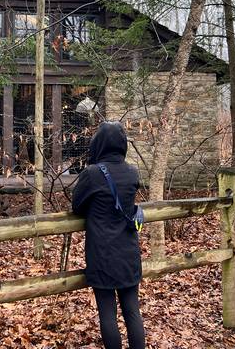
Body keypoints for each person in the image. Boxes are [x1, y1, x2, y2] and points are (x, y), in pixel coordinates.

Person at [72, 121, 145, 349]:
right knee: (132, 309)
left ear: (99, 144)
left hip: (102, 254)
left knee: (107, 313)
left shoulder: (92, 174)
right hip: (128, 252)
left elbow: (77, 206)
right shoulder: (132, 172)